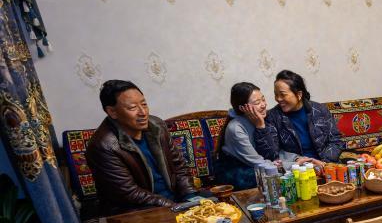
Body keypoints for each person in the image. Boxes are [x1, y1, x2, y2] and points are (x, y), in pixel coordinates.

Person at [86, 80, 196, 215]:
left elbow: (179, 166)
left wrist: (191, 198)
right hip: (135, 211)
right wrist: (175, 207)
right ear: (112, 111)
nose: (143, 112)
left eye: (144, 104)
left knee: (215, 209)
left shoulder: (157, 126)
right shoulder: (104, 145)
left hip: (174, 202)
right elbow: (130, 193)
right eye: (132, 108)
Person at [254, 69, 343, 165]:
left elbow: (336, 140)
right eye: (276, 95)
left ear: (299, 94)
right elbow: (271, 154)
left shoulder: (320, 110)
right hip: (296, 168)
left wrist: (324, 162)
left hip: (326, 165)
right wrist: (261, 127)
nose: (278, 99)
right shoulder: (273, 117)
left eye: (283, 95)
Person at [216, 82, 279, 189]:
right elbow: (256, 161)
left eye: (263, 99)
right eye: (257, 102)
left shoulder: (261, 117)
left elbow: (273, 152)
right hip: (238, 171)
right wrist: (279, 165)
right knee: (277, 175)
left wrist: (294, 160)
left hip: (258, 165)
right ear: (242, 108)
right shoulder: (236, 128)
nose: (263, 105)